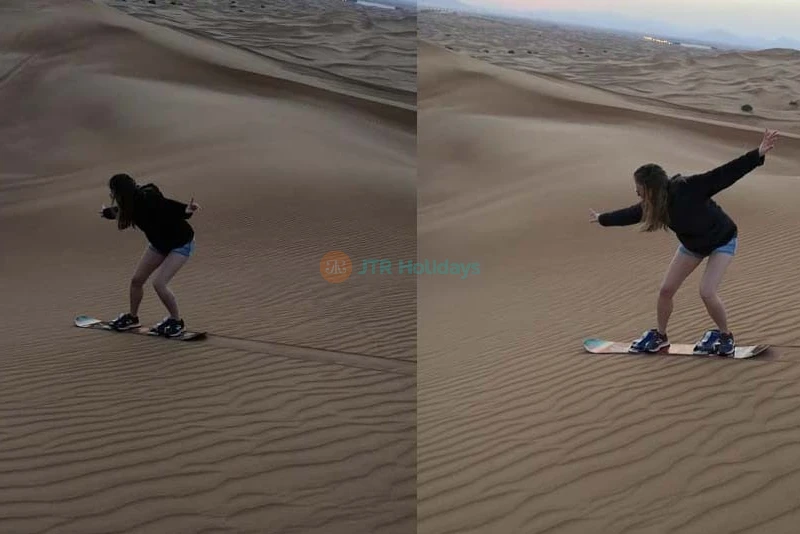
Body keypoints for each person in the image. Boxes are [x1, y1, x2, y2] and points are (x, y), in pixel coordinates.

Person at [590, 129, 779, 356]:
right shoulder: (656, 206)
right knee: (666, 290)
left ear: (650, 189)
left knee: (707, 291)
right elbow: (630, 214)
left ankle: (725, 337)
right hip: (693, 246)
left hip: (722, 240)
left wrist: (757, 154)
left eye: (639, 190)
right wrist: (602, 219)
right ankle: (660, 336)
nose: (637, 193)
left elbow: (724, 174)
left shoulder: (688, 188)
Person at [99, 173, 200, 337]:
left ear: (120, 192)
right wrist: (107, 213)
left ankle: (176, 322)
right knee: (137, 280)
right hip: (159, 244)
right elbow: (122, 211)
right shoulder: (130, 204)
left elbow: (167, 206)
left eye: (112, 191)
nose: (111, 195)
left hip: (181, 243)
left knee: (159, 283)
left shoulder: (149, 197)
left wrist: (186, 210)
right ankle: (132, 318)